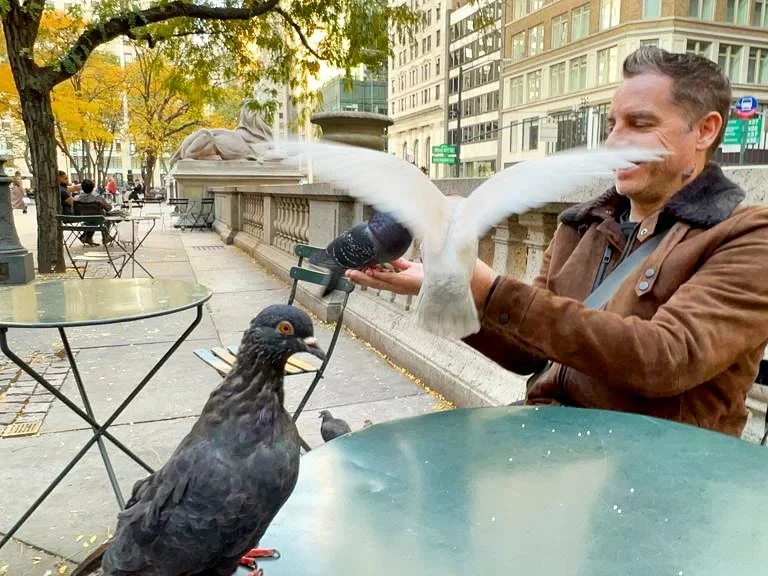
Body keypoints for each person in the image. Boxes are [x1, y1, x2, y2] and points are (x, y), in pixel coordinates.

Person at [346, 46, 768, 438]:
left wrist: (487, 287)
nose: (614, 141)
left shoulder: (747, 237)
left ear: (705, 131)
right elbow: (528, 355)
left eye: (640, 124)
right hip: (549, 441)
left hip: (657, 468)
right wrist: (449, 286)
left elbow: (665, 358)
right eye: (612, 124)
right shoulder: (583, 224)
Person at [74, 178, 112, 246]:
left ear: (82, 188)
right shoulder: (98, 197)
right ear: (93, 187)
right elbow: (108, 208)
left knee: (92, 219)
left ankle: (87, 237)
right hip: (98, 219)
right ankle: (105, 237)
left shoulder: (77, 198)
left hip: (84, 219)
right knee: (107, 217)